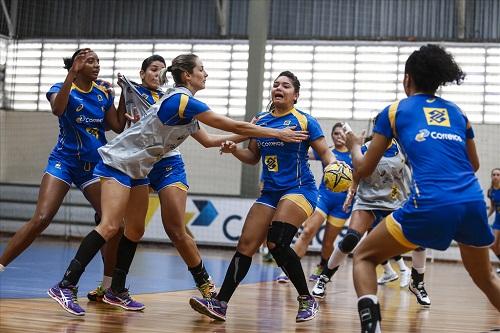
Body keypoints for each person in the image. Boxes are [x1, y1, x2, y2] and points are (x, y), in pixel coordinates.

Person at [48, 54, 308, 316]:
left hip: (140, 168)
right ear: (187, 76)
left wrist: (250, 131)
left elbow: (208, 140)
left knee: (135, 230)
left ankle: (117, 290)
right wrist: (275, 132)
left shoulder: (186, 104)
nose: (205, 74)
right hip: (119, 162)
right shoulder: (180, 100)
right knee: (110, 225)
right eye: (202, 70)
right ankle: (66, 285)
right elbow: (227, 122)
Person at [344, 44, 500, 332]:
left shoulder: (393, 112)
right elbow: (474, 164)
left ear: (407, 79)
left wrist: (354, 146)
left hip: (431, 202)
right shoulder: (457, 113)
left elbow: (363, 170)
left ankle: (372, 328)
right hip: (471, 201)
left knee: (364, 257)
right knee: (487, 278)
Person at [189, 71, 338, 323]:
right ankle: (220, 304)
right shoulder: (261, 121)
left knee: (277, 243)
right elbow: (252, 157)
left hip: (300, 189)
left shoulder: (305, 121)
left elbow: (326, 153)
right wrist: (235, 149)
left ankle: (306, 299)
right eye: (276, 84)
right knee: (245, 246)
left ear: (296, 95)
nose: (279, 88)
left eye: (286, 86)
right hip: (270, 191)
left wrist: (334, 166)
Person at [0, 49, 126, 286]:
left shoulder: (103, 93)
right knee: (42, 217)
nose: (97, 65)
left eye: (98, 61)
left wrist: (122, 94)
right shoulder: (59, 87)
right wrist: (71, 75)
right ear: (76, 66)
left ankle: (108, 288)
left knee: (115, 225)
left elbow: (117, 126)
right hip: (64, 162)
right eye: (90, 61)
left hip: (93, 167)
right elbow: (58, 109)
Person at [310, 137, 430, 306]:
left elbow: (417, 170)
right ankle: (323, 278)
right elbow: (356, 172)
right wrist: (351, 193)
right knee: (350, 239)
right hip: (368, 200)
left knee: (419, 239)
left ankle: (417, 283)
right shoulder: (365, 149)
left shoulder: (404, 147)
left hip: (396, 201)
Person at [276, 122, 353, 283]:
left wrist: (352, 194)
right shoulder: (327, 152)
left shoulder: (355, 155)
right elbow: (304, 153)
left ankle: (322, 266)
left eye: (341, 134)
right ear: (331, 136)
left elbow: (360, 177)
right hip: (323, 198)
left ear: (347, 135)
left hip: (343, 204)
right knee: (307, 232)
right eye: (335, 134)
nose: (339, 137)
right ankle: (289, 269)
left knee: (328, 243)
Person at [488, 167, 500, 274]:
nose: (496, 176)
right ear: (491, 177)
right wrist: (486, 216)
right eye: (494, 174)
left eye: (498, 174)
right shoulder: (491, 192)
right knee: (493, 245)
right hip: (497, 221)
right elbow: (492, 207)